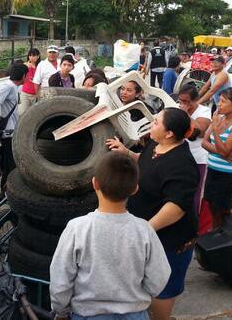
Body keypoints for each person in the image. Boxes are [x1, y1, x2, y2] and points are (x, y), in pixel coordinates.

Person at [50, 153, 170, 320]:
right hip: (135, 314)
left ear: (95, 183)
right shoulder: (144, 230)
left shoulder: (77, 228)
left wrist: (61, 311)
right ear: (135, 188)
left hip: (88, 315)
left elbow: (61, 279)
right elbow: (160, 277)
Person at [107, 108, 199, 320]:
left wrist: (145, 228)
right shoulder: (156, 145)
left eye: (156, 122)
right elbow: (147, 161)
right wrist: (126, 153)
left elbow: (175, 208)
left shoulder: (182, 164)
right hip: (148, 235)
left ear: (169, 133)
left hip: (170, 240)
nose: (151, 123)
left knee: (164, 288)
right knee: (145, 282)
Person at [201, 88, 232, 229]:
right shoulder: (219, 118)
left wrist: (215, 129)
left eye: (223, 101)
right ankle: (215, 239)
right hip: (212, 171)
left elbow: (224, 150)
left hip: (227, 176)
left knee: (223, 213)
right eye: (219, 100)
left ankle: (223, 241)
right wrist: (222, 153)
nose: (219, 104)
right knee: (211, 209)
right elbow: (204, 142)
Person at [0, 63, 28, 200]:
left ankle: (5, 193)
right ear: (23, 76)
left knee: (9, 165)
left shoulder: (13, 87)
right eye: (27, 75)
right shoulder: (8, 86)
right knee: (10, 167)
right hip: (6, 134)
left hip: (11, 132)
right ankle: (4, 195)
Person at [178, 85, 211, 214]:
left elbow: (199, 131)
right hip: (179, 157)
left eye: (186, 101)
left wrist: (184, 114)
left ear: (195, 100)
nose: (183, 104)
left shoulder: (204, 111)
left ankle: (193, 220)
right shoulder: (177, 107)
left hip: (198, 158)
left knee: (195, 192)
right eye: (181, 100)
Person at [19, 48, 40, 116]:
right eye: (30, 55)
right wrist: (25, 67)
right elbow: (19, 74)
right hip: (25, 93)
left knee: (35, 114)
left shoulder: (40, 66)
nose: (31, 57)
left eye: (34, 55)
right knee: (24, 113)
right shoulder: (25, 65)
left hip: (36, 94)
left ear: (38, 56)